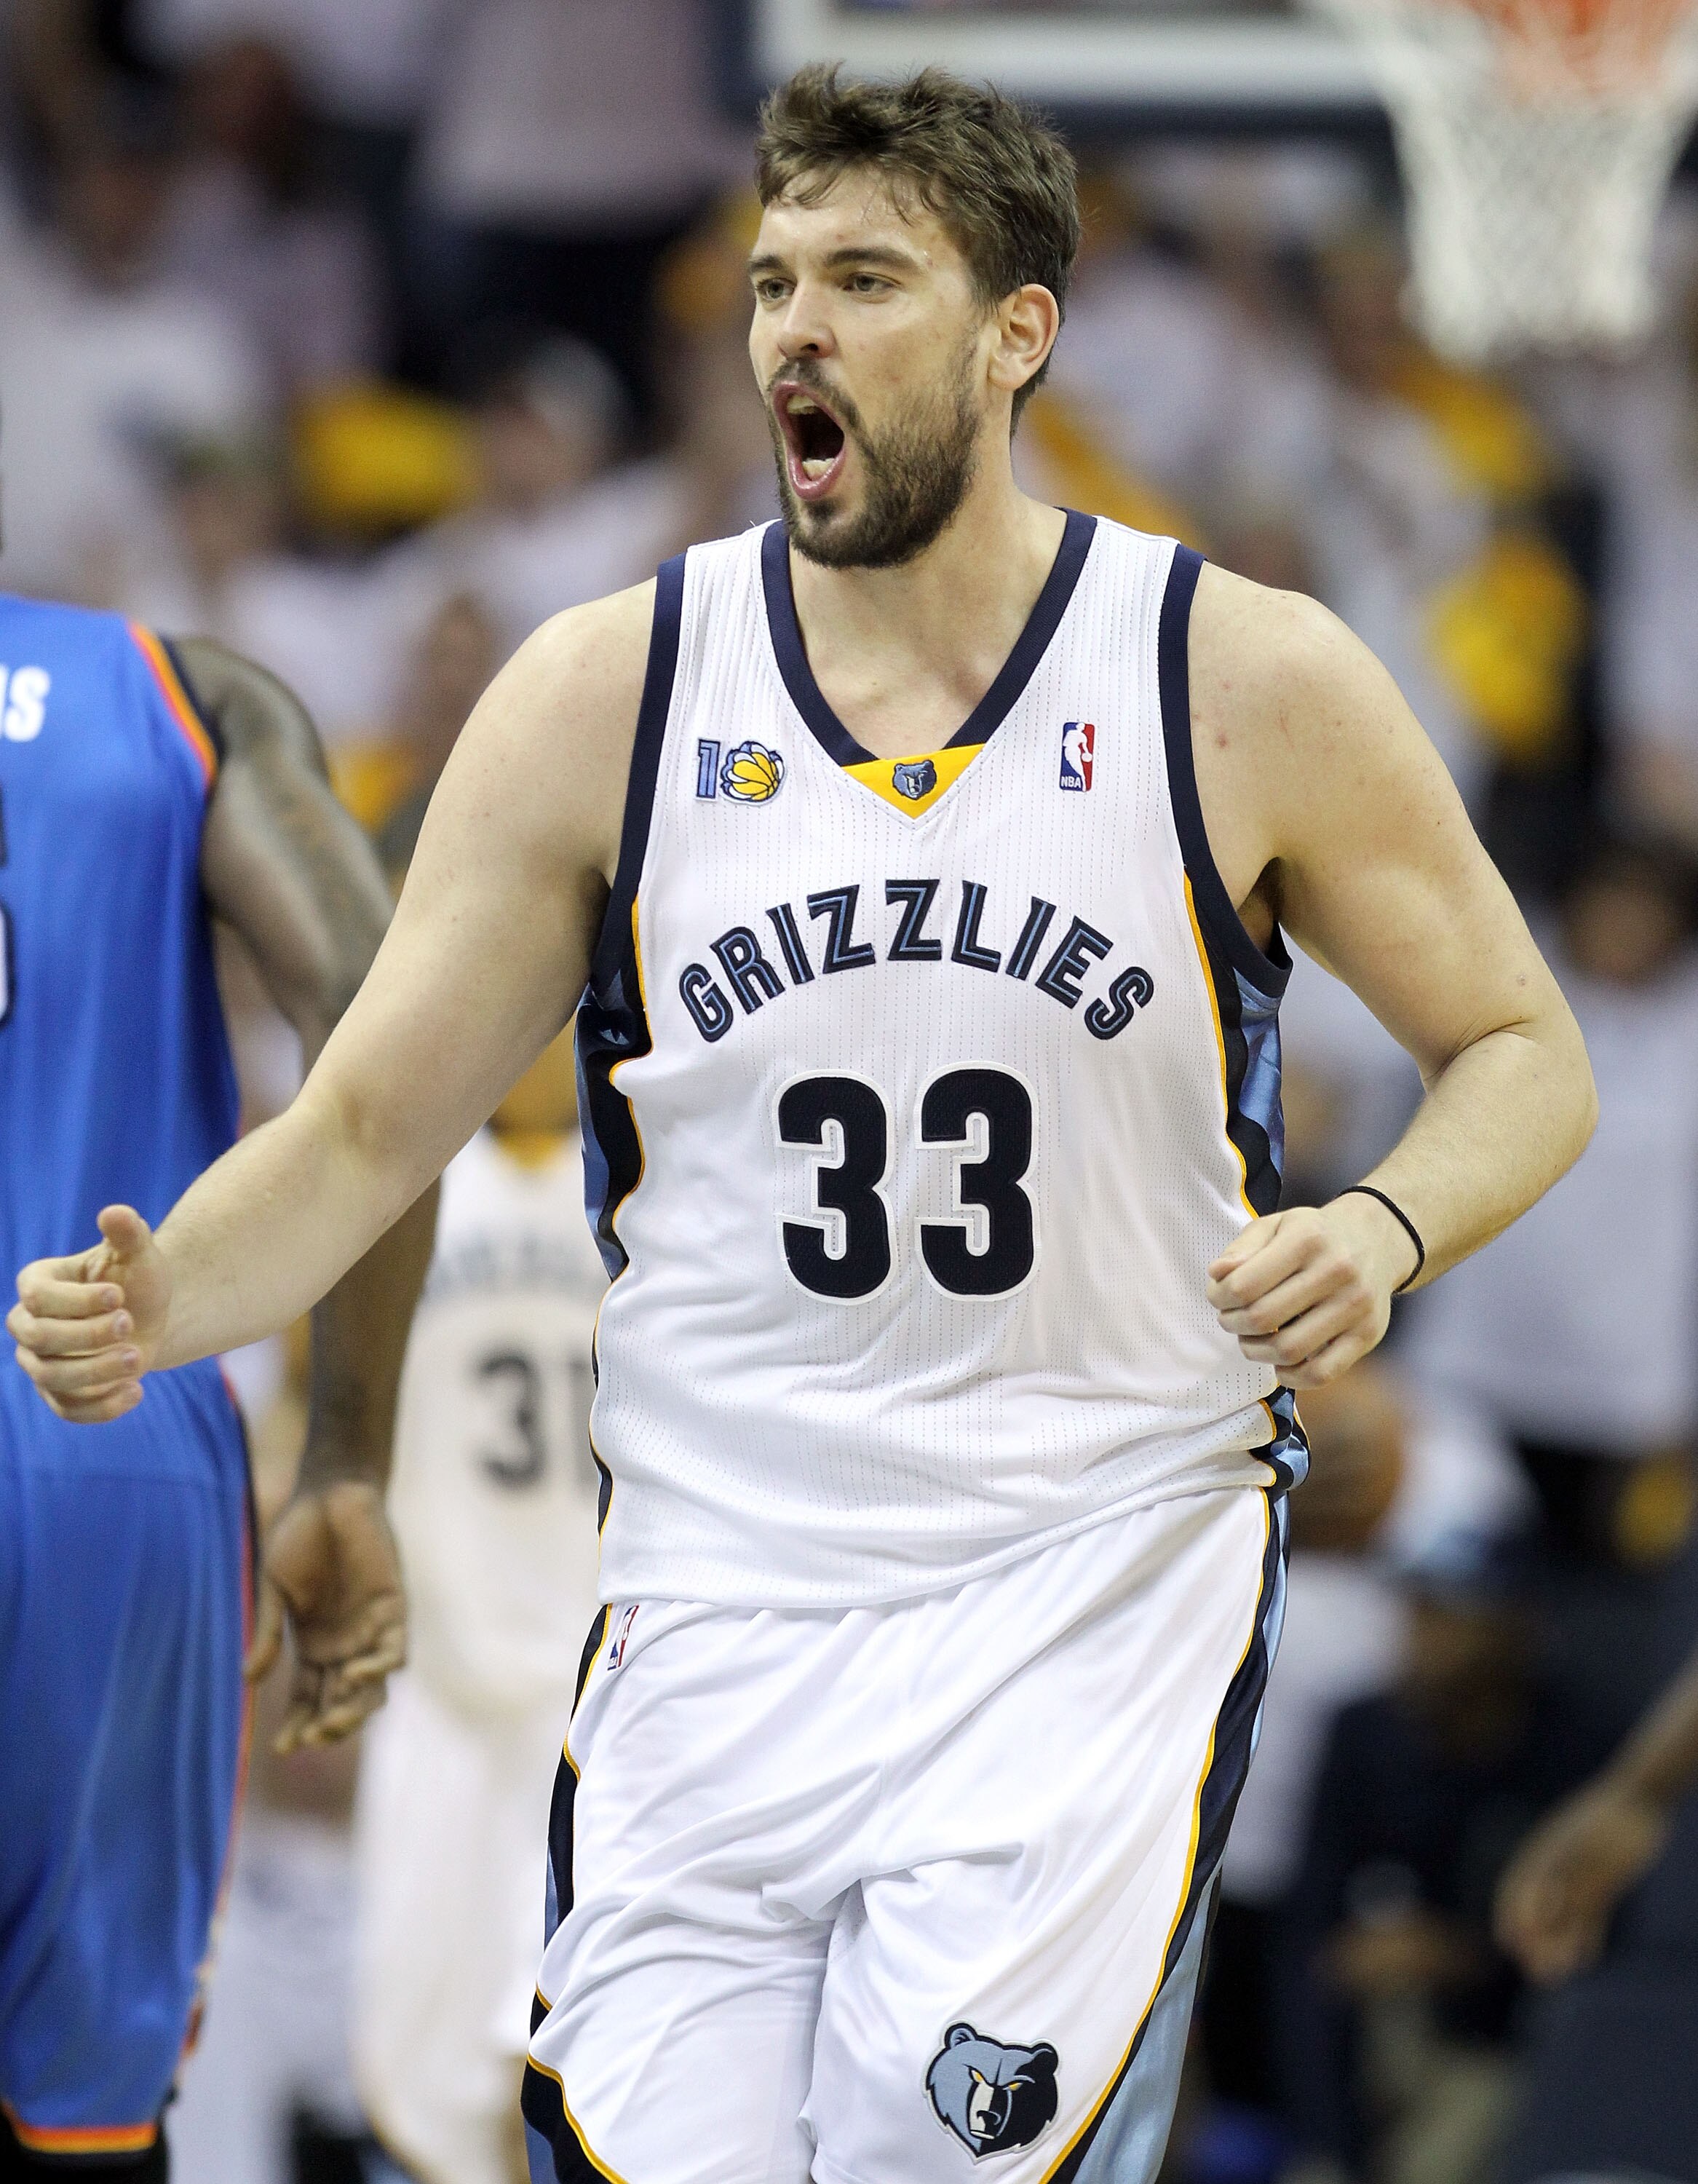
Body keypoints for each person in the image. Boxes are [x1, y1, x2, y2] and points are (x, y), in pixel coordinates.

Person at [10, 64, 1596, 2184]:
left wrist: (1386, 1227)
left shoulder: (1238, 677)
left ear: (1017, 332)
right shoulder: (607, 691)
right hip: (713, 1592)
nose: (794, 332)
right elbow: (374, 1116)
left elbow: (1524, 1050)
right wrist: (167, 1297)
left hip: (1081, 1576)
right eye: (771, 284)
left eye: (864, 279)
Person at [0, 606, 435, 2173]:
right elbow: (381, 1038)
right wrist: (346, 1462)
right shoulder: (176, 696)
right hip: (108, 1421)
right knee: (86, 2119)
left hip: (107, 1415)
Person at [351, 1023, 606, 2184]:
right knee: (434, 2089)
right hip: (444, 1686)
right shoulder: (397, 1184)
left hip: (603, 1697)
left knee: (587, 2074)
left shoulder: (642, 1178)